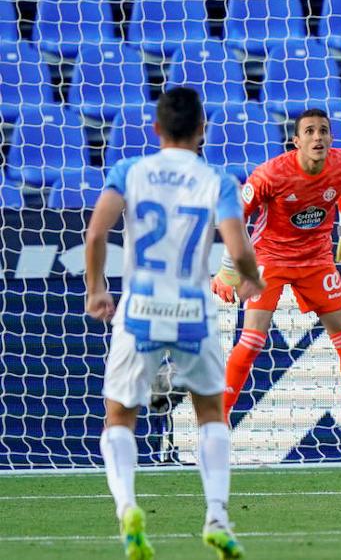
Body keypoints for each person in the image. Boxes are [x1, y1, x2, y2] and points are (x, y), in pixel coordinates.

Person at [86, 87, 263, 559]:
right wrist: (251, 282)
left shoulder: (130, 171)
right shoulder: (217, 179)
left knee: (119, 415)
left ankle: (127, 509)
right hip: (193, 309)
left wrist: (96, 289)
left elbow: (97, 231)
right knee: (210, 412)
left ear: (156, 130)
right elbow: (239, 246)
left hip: (141, 308)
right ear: (202, 130)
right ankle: (217, 517)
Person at [212, 109, 341, 460]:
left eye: (324, 131)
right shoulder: (271, 174)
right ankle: (216, 424)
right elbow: (235, 215)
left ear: (331, 138)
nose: (318, 137)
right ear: (296, 141)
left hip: (316, 260)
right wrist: (228, 269)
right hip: (269, 259)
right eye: (310, 132)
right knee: (252, 340)